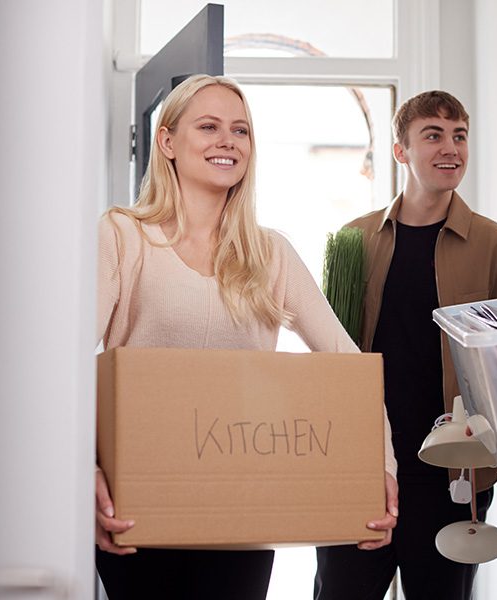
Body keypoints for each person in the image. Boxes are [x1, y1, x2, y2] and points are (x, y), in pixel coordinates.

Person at [93, 74, 398, 600]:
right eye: (208, 126)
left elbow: (347, 364)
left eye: (241, 130)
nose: (227, 141)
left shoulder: (269, 254)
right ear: (167, 142)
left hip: (242, 510)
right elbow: (69, 363)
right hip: (137, 504)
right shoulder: (123, 236)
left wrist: (381, 467)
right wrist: (84, 471)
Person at [314, 91, 497, 600]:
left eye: (459, 136)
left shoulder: (496, 246)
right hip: (361, 466)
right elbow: (329, 360)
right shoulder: (353, 241)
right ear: (400, 151)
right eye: (433, 135)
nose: (450, 148)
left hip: (450, 471)